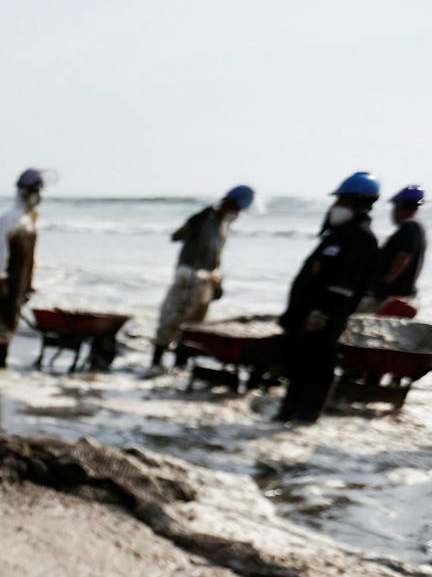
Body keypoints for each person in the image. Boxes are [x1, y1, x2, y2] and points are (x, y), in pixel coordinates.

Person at [274, 172, 380, 425]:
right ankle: (287, 413)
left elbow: (346, 283)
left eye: (343, 201)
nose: (337, 206)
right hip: (308, 314)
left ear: (360, 203)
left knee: (319, 366)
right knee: (300, 364)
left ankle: (306, 417)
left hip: (326, 316)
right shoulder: (337, 234)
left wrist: (323, 312)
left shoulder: (361, 238)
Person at [153, 185, 255, 367]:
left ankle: (179, 365)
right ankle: (156, 362)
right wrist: (193, 222)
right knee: (172, 319)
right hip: (188, 275)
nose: (238, 214)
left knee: (194, 324)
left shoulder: (223, 225)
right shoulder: (203, 219)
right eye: (237, 209)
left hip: (207, 278)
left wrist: (218, 283)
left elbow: (216, 257)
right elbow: (176, 236)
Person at [0, 169, 43, 368]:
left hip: (18, 285)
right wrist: (0, 282)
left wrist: (28, 285)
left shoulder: (29, 222)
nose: (38, 196)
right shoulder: (8, 221)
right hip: (4, 286)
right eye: (35, 191)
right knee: (0, 329)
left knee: (9, 327)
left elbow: (29, 260)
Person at [363, 185, 424, 311]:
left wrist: (384, 283)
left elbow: (403, 257)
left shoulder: (409, 228)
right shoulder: (416, 228)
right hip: (400, 294)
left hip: (391, 296)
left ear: (400, 206)